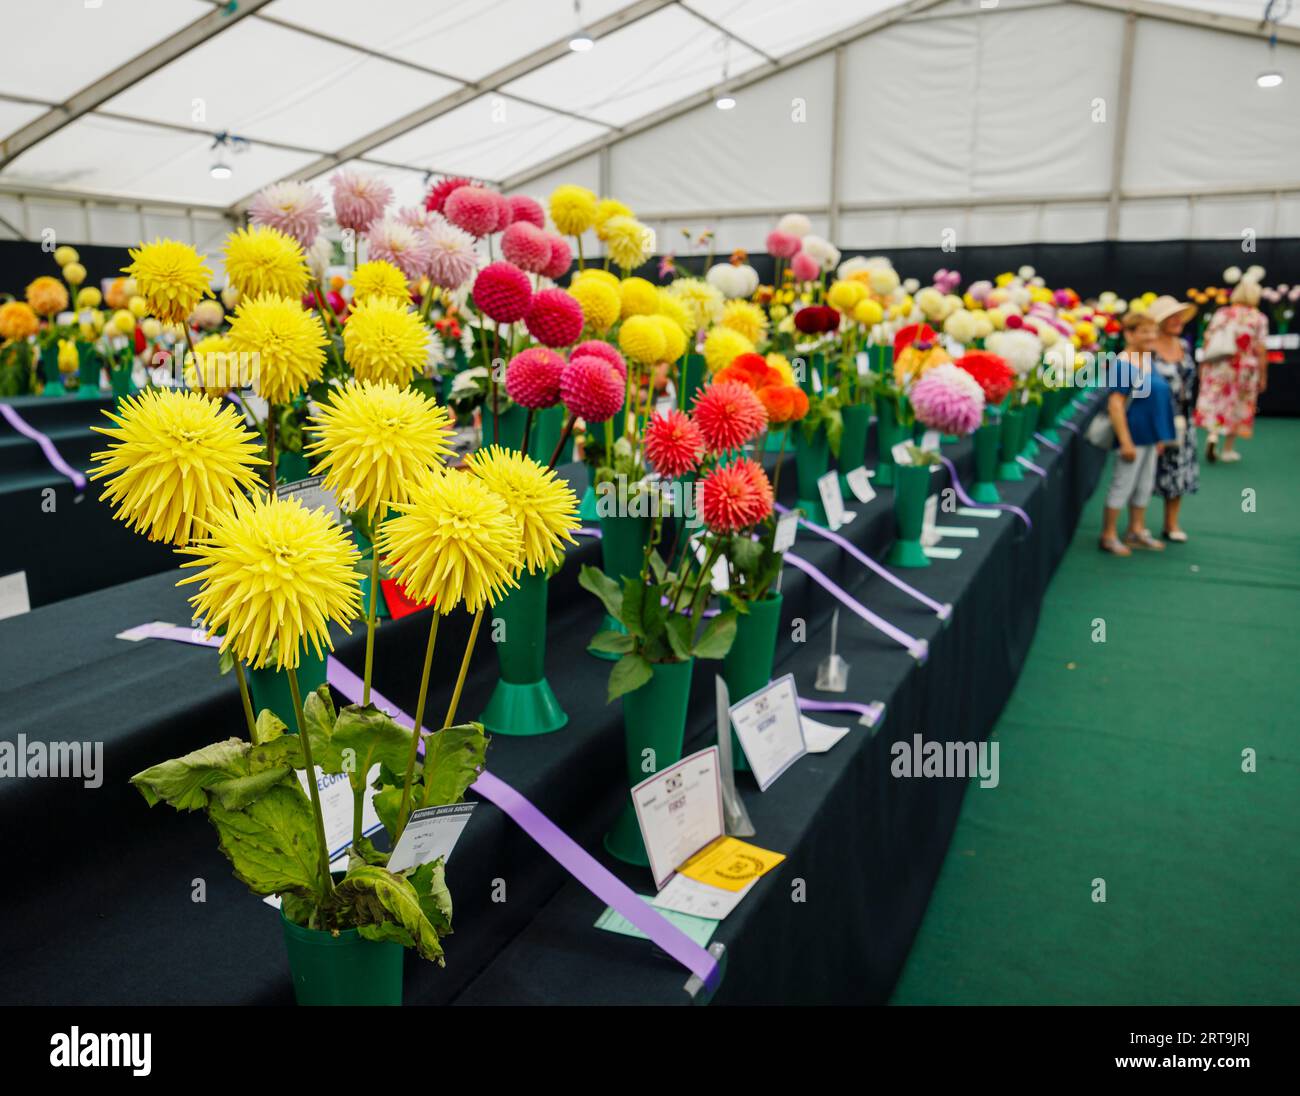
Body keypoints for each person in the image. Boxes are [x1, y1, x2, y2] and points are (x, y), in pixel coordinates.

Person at [1099, 311, 1177, 557]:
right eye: (1144, 331)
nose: (1150, 336)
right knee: (1122, 485)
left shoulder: (1147, 358)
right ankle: (1109, 535)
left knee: (1144, 485)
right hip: (1132, 437)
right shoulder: (1123, 363)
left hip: (1150, 438)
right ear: (1129, 334)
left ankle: (1135, 530)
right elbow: (1115, 404)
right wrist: (1125, 441)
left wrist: (1158, 438)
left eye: (1153, 330)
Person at [1195, 277, 1268, 463]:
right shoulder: (1258, 318)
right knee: (1238, 405)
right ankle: (1228, 449)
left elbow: (1208, 340)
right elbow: (1260, 349)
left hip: (1220, 365)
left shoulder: (1223, 313)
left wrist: (1204, 364)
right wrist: (1263, 375)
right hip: (1245, 369)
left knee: (1217, 401)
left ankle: (1213, 434)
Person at [1147, 295, 1199, 541]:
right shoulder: (1147, 350)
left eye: (1180, 316)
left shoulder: (1185, 346)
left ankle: (1171, 524)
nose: (1178, 320)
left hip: (1182, 420)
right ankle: (1137, 526)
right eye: (1172, 317)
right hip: (1154, 420)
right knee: (1145, 473)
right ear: (1161, 322)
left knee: (1178, 471)